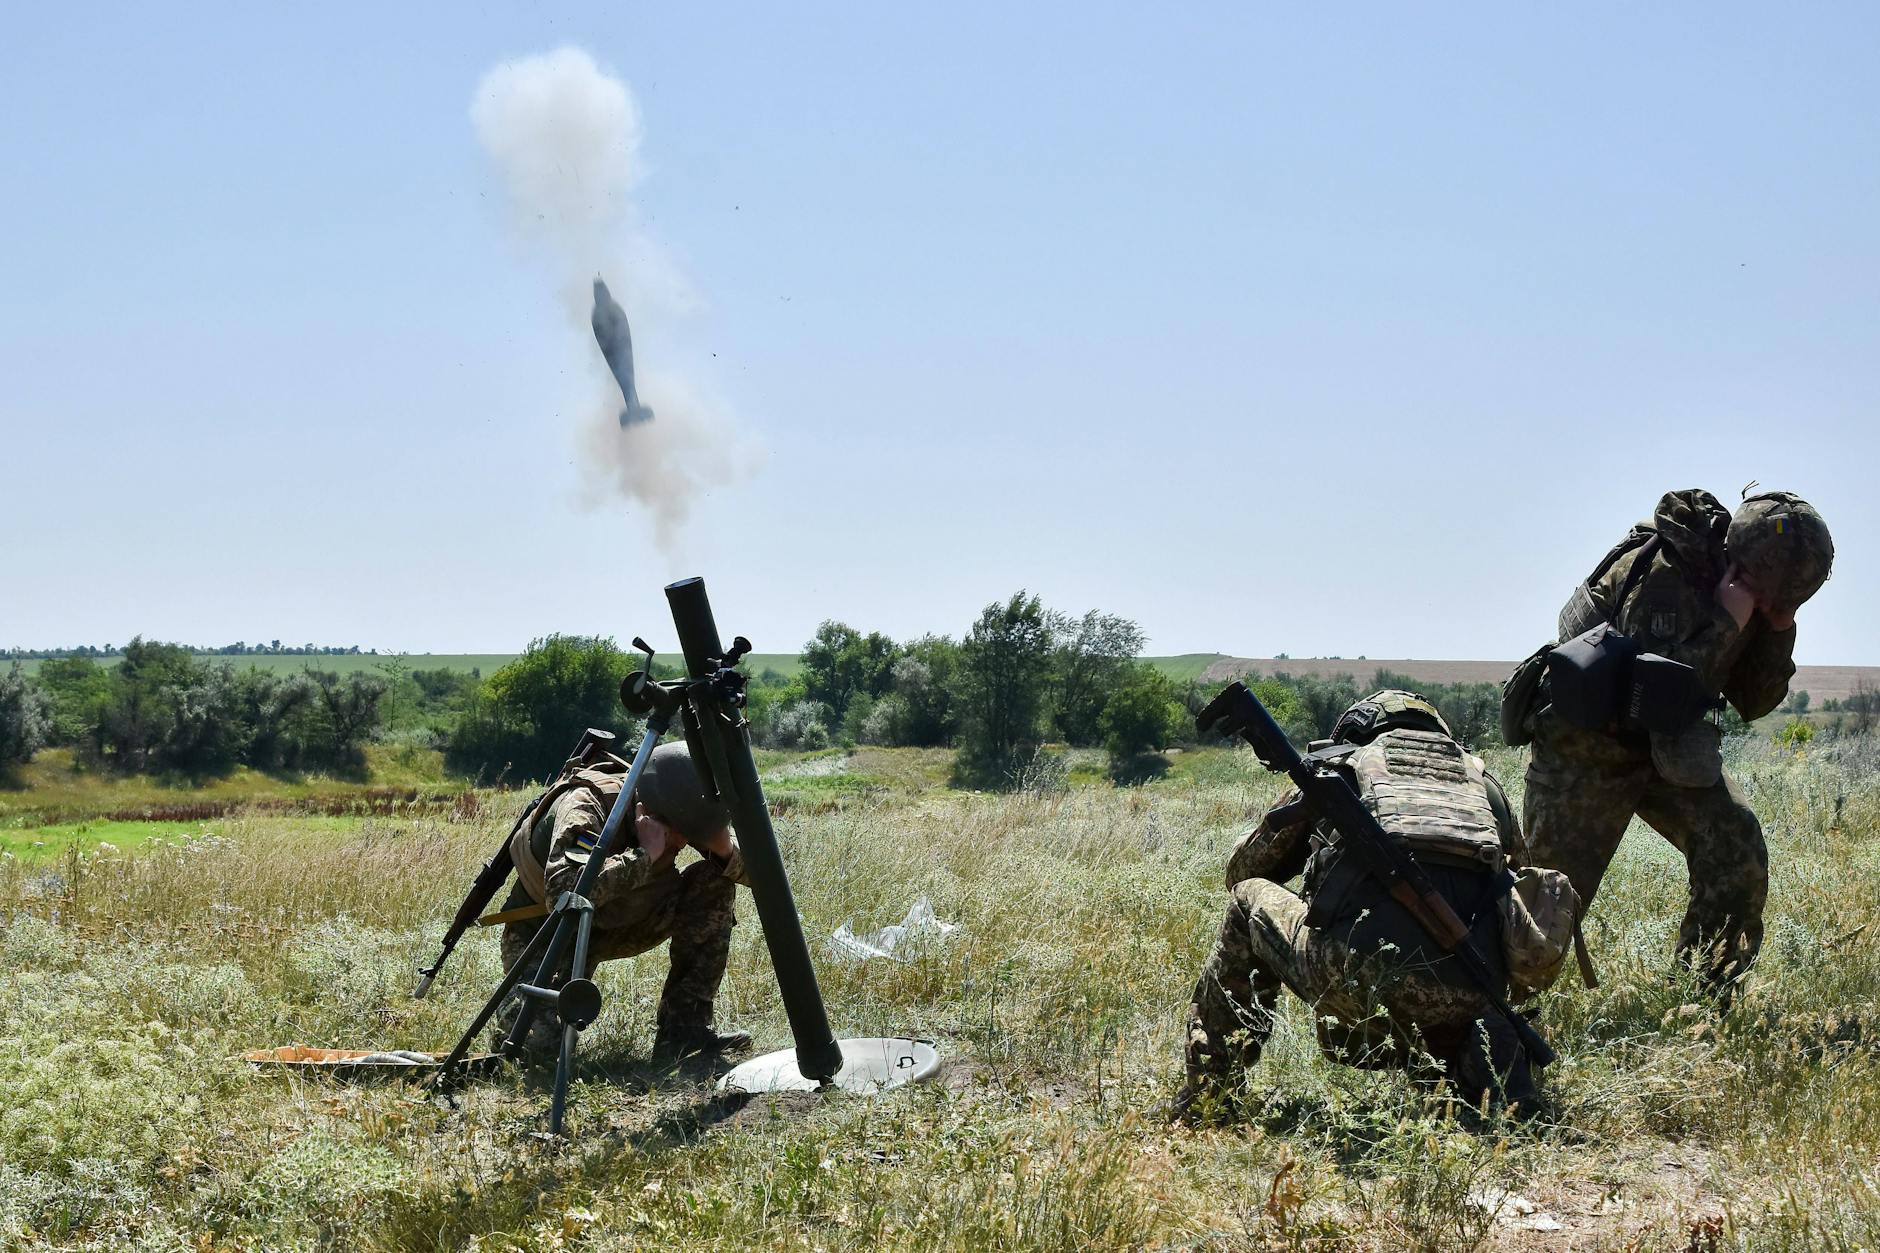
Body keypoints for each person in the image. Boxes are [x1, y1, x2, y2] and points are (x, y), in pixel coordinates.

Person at [1177, 691, 1579, 1119]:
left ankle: (1209, 1094)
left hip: (1352, 978)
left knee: (1246, 901)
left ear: (1357, 728)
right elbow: (1520, 894)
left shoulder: (1338, 768)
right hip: (1472, 994)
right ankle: (1471, 1072)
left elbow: (1242, 871)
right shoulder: (1483, 786)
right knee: (1442, 983)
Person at [1515, 489, 1833, 999]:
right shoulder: (1669, 577)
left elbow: (1754, 702)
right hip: (1588, 748)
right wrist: (1727, 622)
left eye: (1788, 600)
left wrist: (1776, 629)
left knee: (1736, 848)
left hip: (1669, 750)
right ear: (1741, 559)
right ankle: (1487, 1019)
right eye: (1771, 593)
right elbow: (1655, 692)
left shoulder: (1757, 593)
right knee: (1544, 902)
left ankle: (1700, 1002)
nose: (1772, 604)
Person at [493, 741, 753, 1061]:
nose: (685, 843)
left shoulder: (683, 809)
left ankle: (684, 1031)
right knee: (538, 1051)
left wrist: (726, 852)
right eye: (679, 835)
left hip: (620, 922)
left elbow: (764, 876)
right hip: (549, 934)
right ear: (651, 813)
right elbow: (563, 893)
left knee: (715, 881)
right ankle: (516, 1022)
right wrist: (645, 855)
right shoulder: (588, 807)